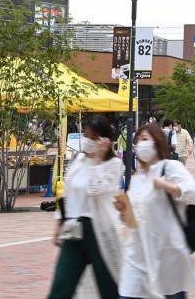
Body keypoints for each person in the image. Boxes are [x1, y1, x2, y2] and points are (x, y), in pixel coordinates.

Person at [114, 123, 195, 299]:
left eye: (145, 139)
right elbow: (133, 220)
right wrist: (123, 211)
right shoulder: (138, 178)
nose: (141, 144)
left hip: (166, 255)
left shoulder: (170, 167)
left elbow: (194, 194)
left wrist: (167, 186)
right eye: (138, 141)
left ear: (158, 143)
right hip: (137, 256)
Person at [47, 115, 124, 299]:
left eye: (93, 137)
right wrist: (59, 222)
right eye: (86, 135)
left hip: (100, 231)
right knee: (61, 284)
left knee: (109, 286)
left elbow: (94, 189)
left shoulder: (113, 165)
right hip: (74, 230)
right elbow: (67, 193)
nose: (87, 140)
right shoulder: (79, 160)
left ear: (105, 139)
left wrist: (98, 159)